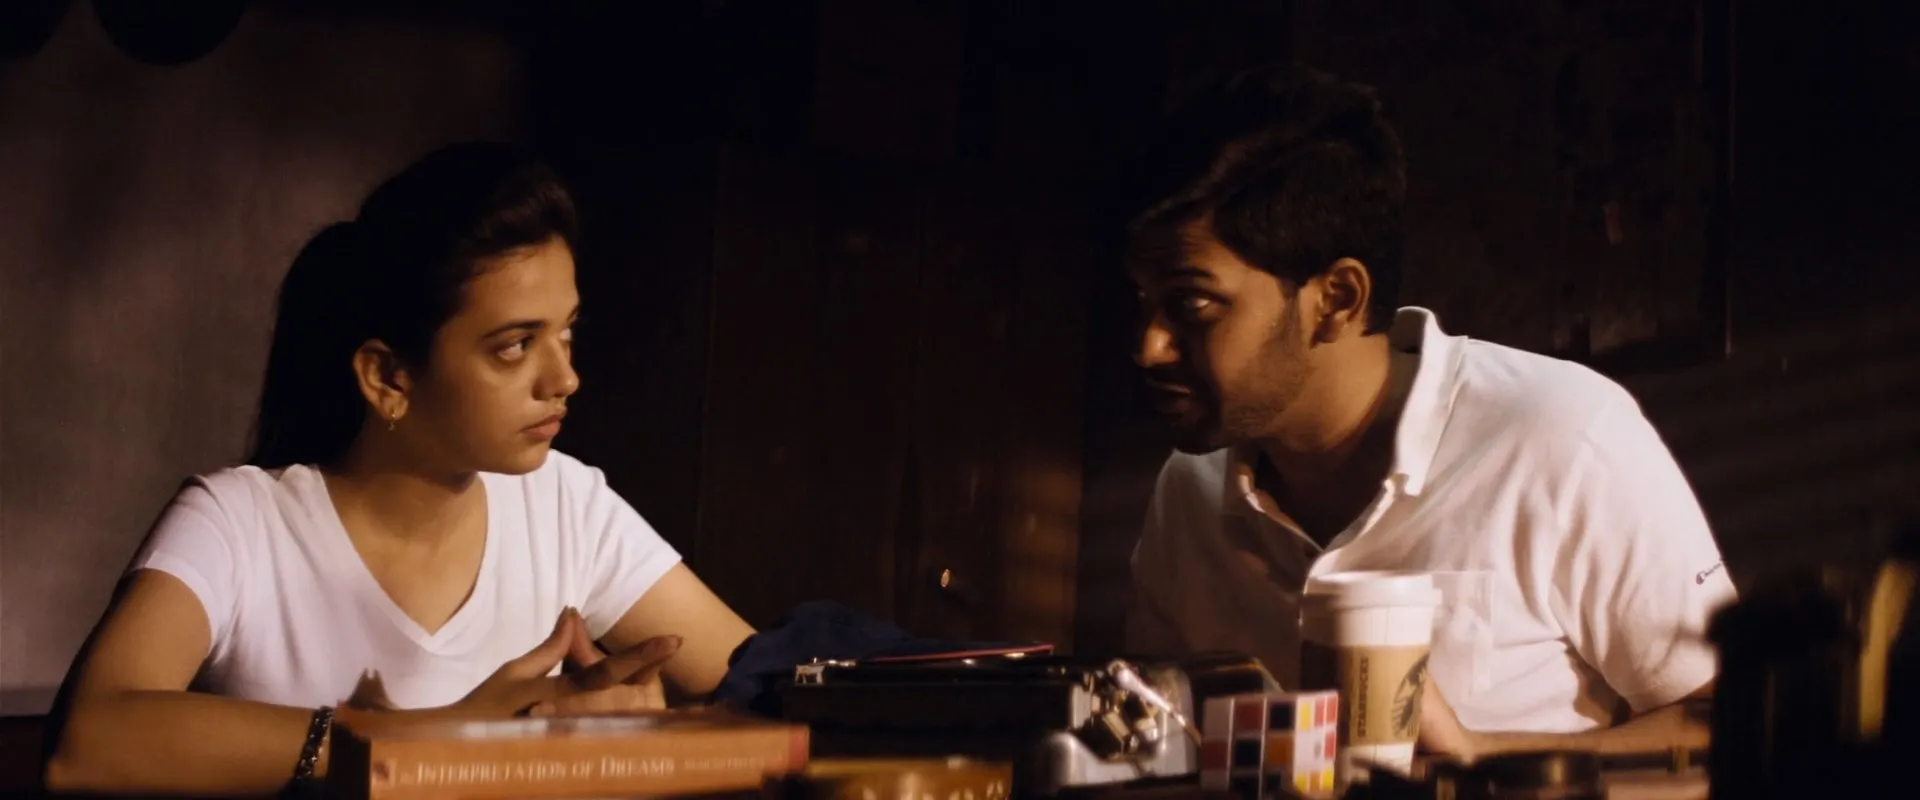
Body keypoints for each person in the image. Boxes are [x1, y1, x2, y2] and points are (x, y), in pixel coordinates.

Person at [44, 142, 756, 796]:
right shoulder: (240, 522)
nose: (564, 378)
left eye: (566, 333)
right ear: (388, 377)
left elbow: (764, 688)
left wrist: (659, 734)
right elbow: (88, 744)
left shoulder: (565, 502)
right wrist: (432, 739)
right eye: (514, 346)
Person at [1120, 65, 1736, 759]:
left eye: (1192, 303)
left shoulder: (1561, 435)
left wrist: (1478, 755)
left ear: (1338, 299)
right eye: (1141, 301)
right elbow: (1153, 744)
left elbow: (1729, 721)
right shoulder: (1190, 490)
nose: (1148, 346)